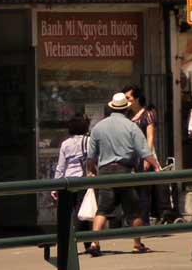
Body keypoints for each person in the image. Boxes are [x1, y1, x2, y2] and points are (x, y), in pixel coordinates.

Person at [85, 93, 157, 256]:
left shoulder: (98, 127)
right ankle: (137, 244)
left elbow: (91, 156)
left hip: (104, 172)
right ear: (126, 109)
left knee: (102, 209)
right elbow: (144, 151)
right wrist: (156, 166)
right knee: (134, 210)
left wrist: (91, 170)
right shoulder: (131, 126)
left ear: (111, 108)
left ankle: (95, 243)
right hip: (124, 171)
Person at [125, 88, 165, 224]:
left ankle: (144, 222)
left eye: (128, 98)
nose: (127, 101)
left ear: (136, 99)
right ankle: (133, 221)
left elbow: (150, 137)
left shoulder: (147, 114)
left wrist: (148, 156)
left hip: (143, 156)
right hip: (130, 157)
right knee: (132, 192)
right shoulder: (127, 115)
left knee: (143, 192)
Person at [51, 117, 91, 249]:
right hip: (83, 181)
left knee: (67, 213)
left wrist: (55, 186)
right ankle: (88, 243)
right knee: (83, 212)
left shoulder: (65, 144)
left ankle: (68, 244)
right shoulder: (89, 141)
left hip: (68, 182)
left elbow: (60, 167)